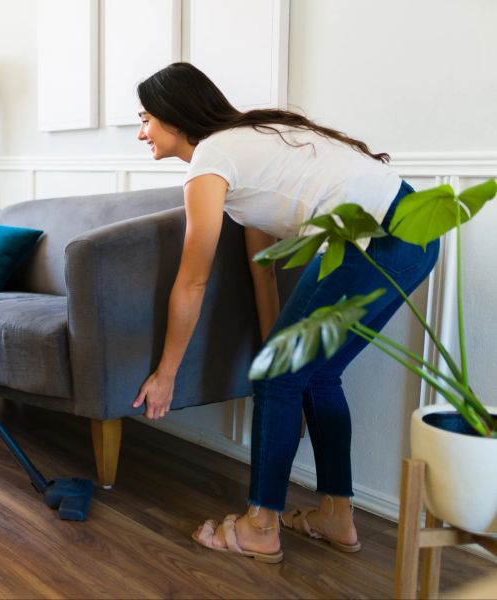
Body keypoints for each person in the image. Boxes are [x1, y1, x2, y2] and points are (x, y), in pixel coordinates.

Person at [131, 63, 439, 563]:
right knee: (318, 375)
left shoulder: (211, 160)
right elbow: (263, 271)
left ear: (172, 115)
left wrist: (167, 374)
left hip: (376, 237)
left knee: (289, 375)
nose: (141, 133)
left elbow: (192, 280)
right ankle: (337, 516)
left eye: (145, 119)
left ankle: (259, 527)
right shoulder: (245, 146)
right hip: (416, 236)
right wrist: (281, 371)